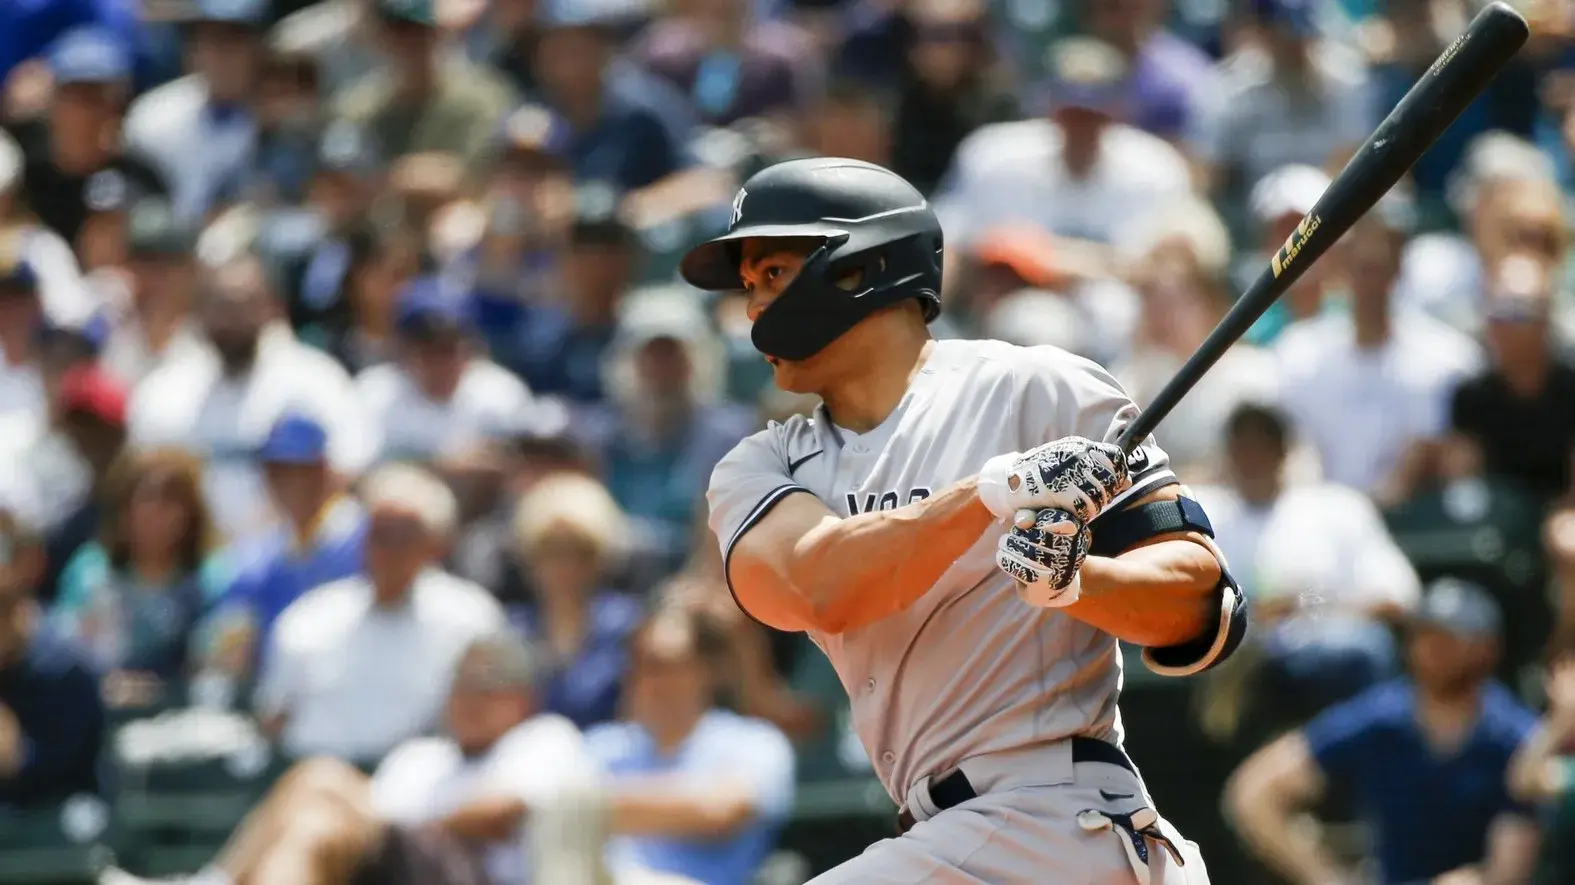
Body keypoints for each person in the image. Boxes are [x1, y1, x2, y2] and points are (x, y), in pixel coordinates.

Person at [686, 156, 1243, 882]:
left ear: (860, 268)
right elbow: (809, 583)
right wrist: (986, 493)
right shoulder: (764, 464)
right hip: (950, 835)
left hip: (1054, 820)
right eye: (749, 285)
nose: (753, 307)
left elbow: (1200, 603)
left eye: (772, 275)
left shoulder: (1033, 387)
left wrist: (1080, 581)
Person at [101, 631, 699, 885]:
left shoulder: (543, 737)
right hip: (393, 871)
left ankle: (209, 881)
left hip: (476, 877)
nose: (470, 697)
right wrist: (385, 827)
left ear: (522, 696)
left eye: (488, 684)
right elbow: (361, 834)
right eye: (463, 683)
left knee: (323, 779)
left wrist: (407, 825)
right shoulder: (423, 755)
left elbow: (502, 813)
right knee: (315, 811)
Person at [1226, 579, 1540, 885]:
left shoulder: (1512, 736)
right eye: (1424, 636)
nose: (1432, 650)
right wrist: (1325, 877)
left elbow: (1508, 872)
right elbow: (1255, 792)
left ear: (1488, 649)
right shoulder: (1382, 717)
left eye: (1450, 640)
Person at [587, 604, 795, 885]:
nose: (653, 679)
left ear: (705, 669)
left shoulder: (756, 742)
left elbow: (719, 811)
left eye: (667, 664)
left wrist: (586, 808)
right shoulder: (602, 746)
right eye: (642, 664)